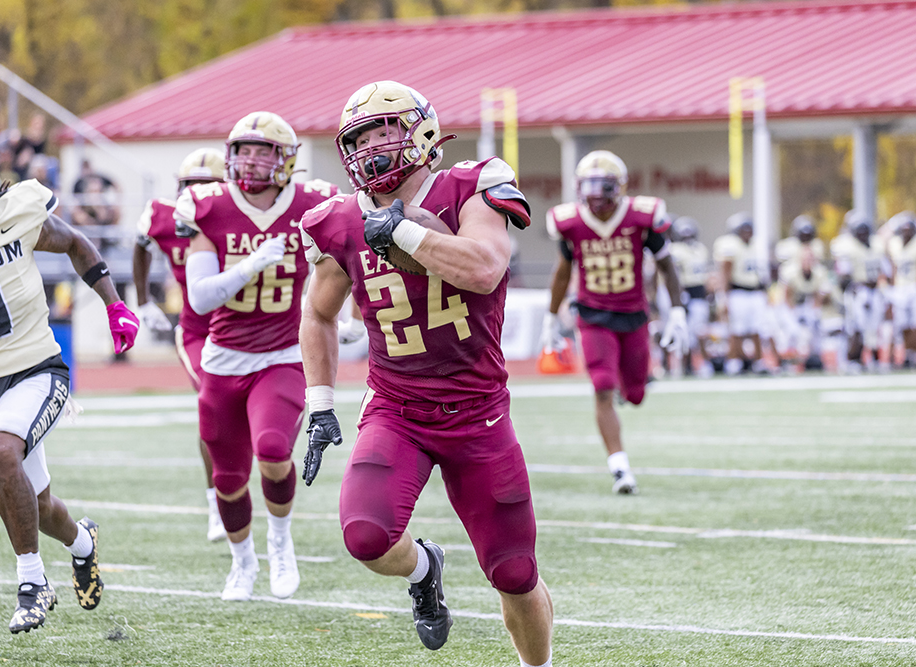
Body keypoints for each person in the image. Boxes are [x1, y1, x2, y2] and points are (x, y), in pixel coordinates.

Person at [299, 80, 553, 666]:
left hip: (478, 411)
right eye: (358, 138)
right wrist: (318, 401)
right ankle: (427, 567)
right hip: (397, 408)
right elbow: (317, 312)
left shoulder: (472, 185)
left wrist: (404, 229)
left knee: (514, 572)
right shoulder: (339, 220)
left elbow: (486, 268)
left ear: (423, 130)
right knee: (365, 536)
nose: (370, 148)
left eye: (383, 129)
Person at [0, 136, 140, 633]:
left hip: (36, 367)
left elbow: (77, 243)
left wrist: (114, 302)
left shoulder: (16, 211)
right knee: (34, 501)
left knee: (3, 455)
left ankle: (32, 583)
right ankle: (82, 541)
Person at [174, 111, 337, 601]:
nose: (252, 160)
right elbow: (201, 298)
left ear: (285, 160)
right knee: (226, 476)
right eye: (244, 150)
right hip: (224, 358)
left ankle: (280, 542)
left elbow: (337, 266)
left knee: (271, 449)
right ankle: (242, 562)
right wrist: (251, 264)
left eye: (264, 151)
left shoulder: (312, 205)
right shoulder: (208, 205)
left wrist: (341, 319)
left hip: (283, 354)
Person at [543, 150, 687, 496]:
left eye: (602, 186)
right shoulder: (571, 222)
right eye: (588, 186)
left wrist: (678, 311)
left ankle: (628, 386)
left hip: (634, 314)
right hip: (592, 314)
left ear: (618, 187)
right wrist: (551, 315)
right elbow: (563, 271)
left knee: (635, 394)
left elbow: (667, 266)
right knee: (603, 385)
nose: (595, 194)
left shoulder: (641, 217)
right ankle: (619, 467)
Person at [132, 147, 227, 542]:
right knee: (213, 404)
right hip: (197, 332)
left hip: (245, 329)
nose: (198, 194)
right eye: (191, 186)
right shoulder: (162, 215)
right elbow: (140, 245)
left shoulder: (242, 217)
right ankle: (217, 504)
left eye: (207, 186)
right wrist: (141, 300)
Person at [831, 211, 888, 372]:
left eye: (865, 231)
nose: (863, 235)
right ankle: (854, 359)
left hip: (875, 291)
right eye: (859, 232)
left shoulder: (877, 245)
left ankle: (875, 359)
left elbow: (887, 270)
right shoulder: (846, 247)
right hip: (857, 292)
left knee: (875, 327)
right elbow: (843, 277)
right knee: (856, 327)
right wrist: (857, 290)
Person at [713, 212, 767, 375]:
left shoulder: (755, 245)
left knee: (757, 328)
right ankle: (735, 361)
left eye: (749, 229)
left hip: (755, 291)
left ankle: (758, 361)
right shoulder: (730, 245)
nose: (747, 233)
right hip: (738, 292)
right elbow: (725, 273)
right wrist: (724, 297)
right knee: (737, 329)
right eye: (744, 230)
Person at [668, 216, 713, 376]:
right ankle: (682, 366)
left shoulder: (701, 249)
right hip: (686, 293)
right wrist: (681, 296)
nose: (688, 238)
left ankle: (702, 364)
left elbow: (705, 275)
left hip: (699, 294)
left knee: (700, 332)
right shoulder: (675, 250)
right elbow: (676, 275)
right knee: (683, 332)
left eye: (690, 234)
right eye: (684, 235)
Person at [888, 212, 916, 367]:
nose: (907, 232)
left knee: (914, 323)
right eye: (904, 229)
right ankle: (908, 353)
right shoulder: (894, 244)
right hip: (900, 288)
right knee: (903, 324)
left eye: (909, 229)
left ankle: (913, 354)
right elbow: (893, 266)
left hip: (913, 286)